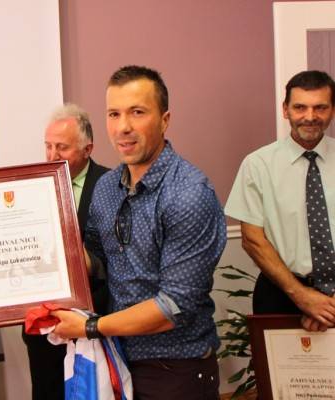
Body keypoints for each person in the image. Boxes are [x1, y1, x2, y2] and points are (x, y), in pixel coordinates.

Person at [51, 66, 226, 400]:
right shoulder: (106, 187)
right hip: (118, 357)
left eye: (137, 112)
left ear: (165, 119)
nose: (123, 127)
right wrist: (48, 248)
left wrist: (90, 327)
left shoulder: (189, 193)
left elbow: (174, 306)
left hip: (175, 368)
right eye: (114, 114)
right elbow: (96, 259)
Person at [225, 70, 335, 332]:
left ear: (332, 110)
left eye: (320, 107)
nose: (310, 116)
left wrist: (328, 303)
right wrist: (302, 296)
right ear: (286, 110)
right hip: (280, 293)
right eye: (300, 107)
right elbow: (252, 239)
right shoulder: (258, 164)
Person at [23, 103, 109, 400]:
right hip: (43, 323)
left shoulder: (111, 185)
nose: (52, 155)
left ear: (88, 149)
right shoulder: (31, 187)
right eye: (48, 146)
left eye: (62, 147)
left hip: (95, 318)